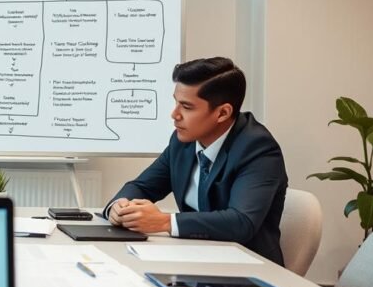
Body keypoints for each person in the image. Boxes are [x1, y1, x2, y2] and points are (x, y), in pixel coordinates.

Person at [105, 57, 288, 265]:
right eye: (176, 102)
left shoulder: (257, 149)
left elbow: (241, 222)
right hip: (194, 257)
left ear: (222, 113)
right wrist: (119, 207)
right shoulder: (183, 141)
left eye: (187, 107)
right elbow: (142, 186)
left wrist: (164, 222)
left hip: (247, 268)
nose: (174, 115)